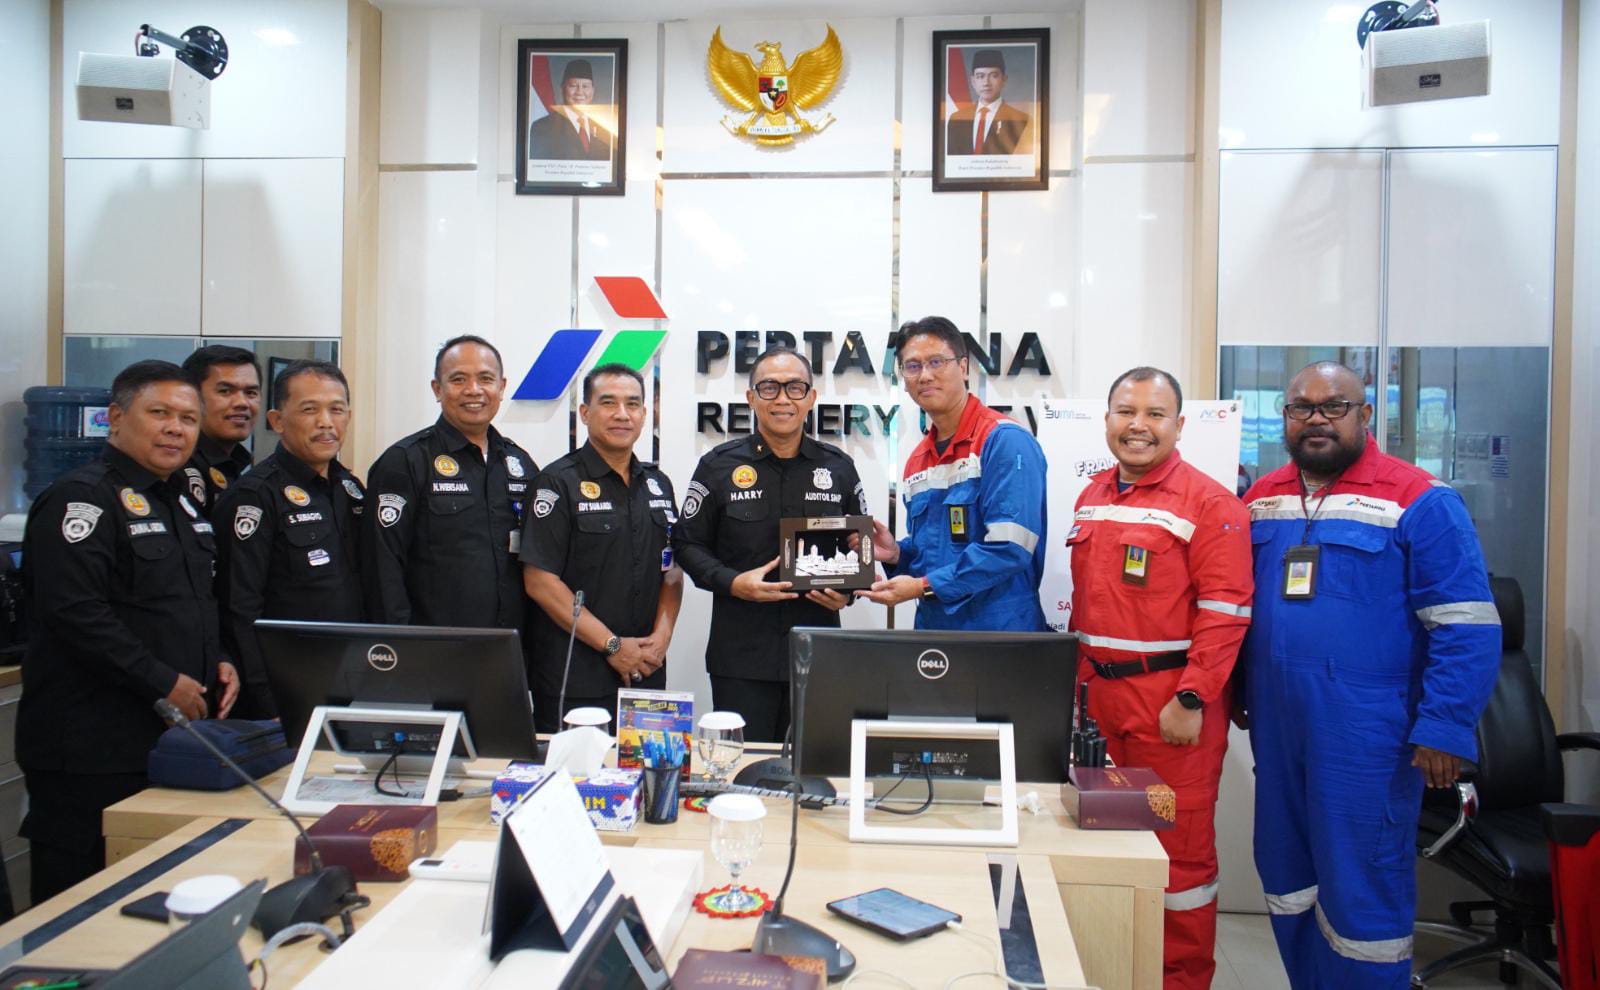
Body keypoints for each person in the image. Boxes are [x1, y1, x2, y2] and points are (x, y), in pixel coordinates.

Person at [1241, 362, 1499, 989]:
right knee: (1286, 878)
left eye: (1334, 406)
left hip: (1367, 735)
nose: (1317, 420)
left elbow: (1466, 624)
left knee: (1362, 889)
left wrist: (1444, 726)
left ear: (1365, 415)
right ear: (1285, 418)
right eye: (1301, 408)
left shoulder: (1421, 500)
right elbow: (1235, 608)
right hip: (1276, 729)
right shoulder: (1262, 499)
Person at [17, 360, 239, 902]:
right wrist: (163, 681)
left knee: (150, 896)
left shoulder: (180, 500)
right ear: (116, 418)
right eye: (159, 413)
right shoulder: (81, 499)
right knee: (78, 903)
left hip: (161, 741)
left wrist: (219, 657)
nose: (175, 429)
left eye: (188, 418)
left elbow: (191, 601)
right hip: (90, 747)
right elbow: (75, 613)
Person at [1069, 367, 1253, 990]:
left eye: (1154, 414)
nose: (1138, 426)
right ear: (1107, 419)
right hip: (1102, 710)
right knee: (1109, 849)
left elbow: (1226, 612)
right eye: (1126, 412)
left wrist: (1192, 697)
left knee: (1178, 866)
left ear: (1179, 424)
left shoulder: (1211, 505)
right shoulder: (1093, 493)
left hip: (1169, 712)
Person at [674, 346, 865, 742]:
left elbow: (858, 548)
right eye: (769, 387)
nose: (782, 399)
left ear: (811, 398)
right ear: (751, 397)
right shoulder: (717, 466)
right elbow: (687, 544)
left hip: (818, 654)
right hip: (741, 657)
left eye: (795, 388)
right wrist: (731, 582)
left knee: (812, 766)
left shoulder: (839, 468)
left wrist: (847, 595)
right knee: (741, 765)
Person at [858, 316, 1048, 631]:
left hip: (1000, 633)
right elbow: (932, 553)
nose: (925, 375)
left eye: (936, 362)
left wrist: (922, 586)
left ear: (963, 367)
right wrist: (896, 555)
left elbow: (1009, 548)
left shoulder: (1004, 441)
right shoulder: (918, 459)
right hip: (934, 630)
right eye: (912, 366)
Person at [521, 364, 682, 730]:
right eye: (608, 403)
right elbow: (540, 581)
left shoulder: (658, 485)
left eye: (633, 404)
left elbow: (671, 569)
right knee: (575, 766)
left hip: (645, 669)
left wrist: (662, 637)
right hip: (575, 675)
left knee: (646, 764)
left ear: (645, 414)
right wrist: (612, 646)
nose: (622, 414)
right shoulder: (557, 483)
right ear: (585, 412)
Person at [214, 361, 366, 720]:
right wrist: (265, 699)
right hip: (286, 689)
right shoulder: (255, 496)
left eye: (337, 410)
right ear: (277, 421)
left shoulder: (352, 489)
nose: (326, 422)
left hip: (351, 679)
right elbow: (240, 610)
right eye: (310, 410)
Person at [364, 335, 537, 630]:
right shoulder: (405, 461)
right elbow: (382, 568)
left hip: (509, 644)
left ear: (501, 387)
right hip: (434, 647)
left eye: (486, 379)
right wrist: (400, 645)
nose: (474, 390)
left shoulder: (520, 464)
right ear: (437, 388)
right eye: (458, 379)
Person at [179, 345, 261, 515]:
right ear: (192, 397)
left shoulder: (235, 465)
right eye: (225, 391)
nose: (242, 403)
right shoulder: (177, 466)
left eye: (251, 392)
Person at [945, 49, 1033, 156]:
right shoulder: (956, 119)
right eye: (980, 76)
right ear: (973, 81)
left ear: (1004, 80)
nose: (986, 83)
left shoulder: (1021, 119)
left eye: (993, 76)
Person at [528, 59, 612, 162]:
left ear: (593, 90)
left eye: (585, 86)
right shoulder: (542, 127)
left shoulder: (605, 129)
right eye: (573, 86)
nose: (579, 92)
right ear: (562, 88)